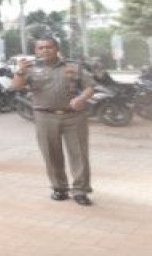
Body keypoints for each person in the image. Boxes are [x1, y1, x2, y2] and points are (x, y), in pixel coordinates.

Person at [12, 37, 95, 206]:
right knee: (51, 153)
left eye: (49, 47)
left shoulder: (73, 66)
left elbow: (90, 86)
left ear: (57, 49)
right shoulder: (30, 68)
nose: (45, 50)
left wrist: (82, 98)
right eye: (41, 48)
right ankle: (59, 187)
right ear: (36, 51)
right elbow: (16, 87)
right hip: (45, 116)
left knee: (79, 153)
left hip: (74, 116)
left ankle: (80, 190)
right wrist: (20, 72)